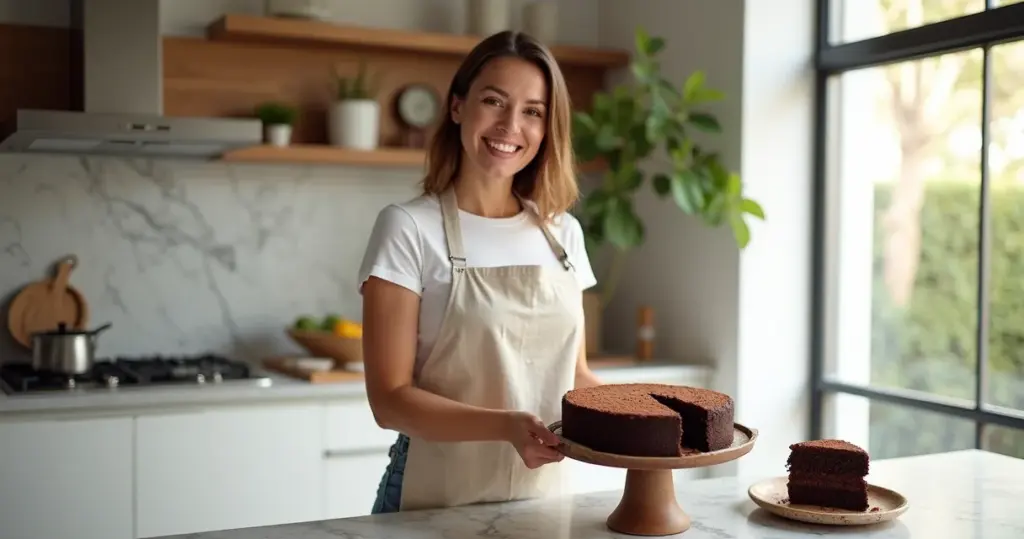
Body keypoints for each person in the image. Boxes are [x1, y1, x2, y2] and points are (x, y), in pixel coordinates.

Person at [357, 29, 604, 515]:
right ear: (457, 107)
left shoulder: (563, 234)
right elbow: (389, 402)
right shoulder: (407, 228)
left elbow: (574, 377)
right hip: (435, 492)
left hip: (545, 496)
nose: (511, 125)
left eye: (533, 111)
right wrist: (505, 427)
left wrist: (659, 416)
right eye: (494, 101)